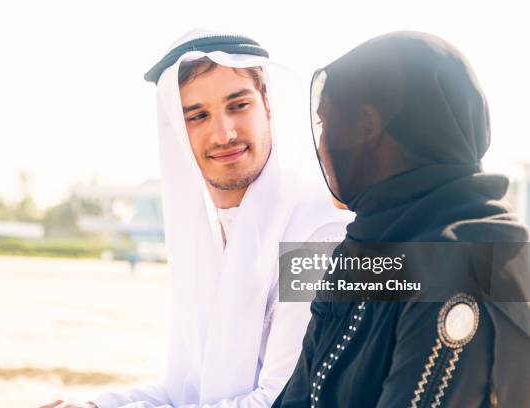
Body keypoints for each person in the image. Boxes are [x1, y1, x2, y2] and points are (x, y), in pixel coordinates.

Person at [40, 29, 350, 408]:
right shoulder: (208, 232)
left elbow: (280, 400)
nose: (224, 133)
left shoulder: (317, 230)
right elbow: (185, 390)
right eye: (198, 116)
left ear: (267, 104)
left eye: (238, 106)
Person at [273, 31, 530, 407]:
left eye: (327, 124)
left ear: (366, 127)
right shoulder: (367, 248)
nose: (323, 146)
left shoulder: (464, 265)